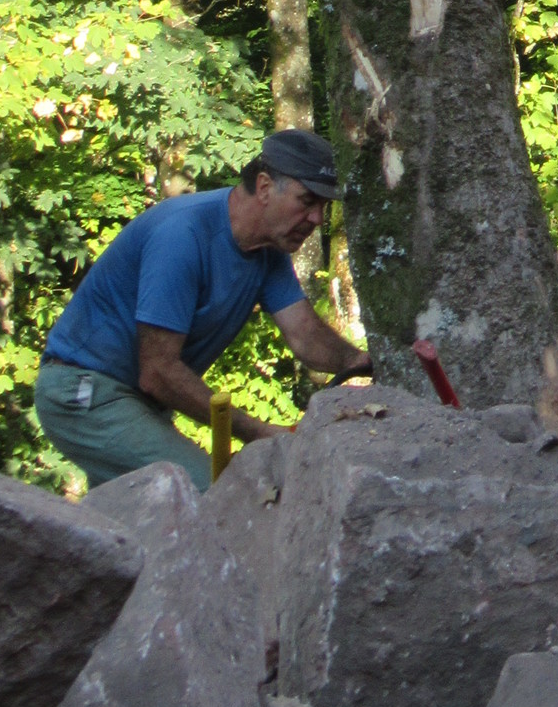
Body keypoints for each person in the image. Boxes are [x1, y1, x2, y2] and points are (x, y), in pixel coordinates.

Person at [34, 127, 372, 492]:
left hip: (132, 402)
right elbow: (157, 372)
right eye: (307, 201)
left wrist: (362, 361)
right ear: (263, 187)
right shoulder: (182, 235)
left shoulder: (267, 250)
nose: (318, 219)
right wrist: (255, 430)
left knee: (135, 520)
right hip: (84, 392)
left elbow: (304, 334)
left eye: (324, 206)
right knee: (210, 494)